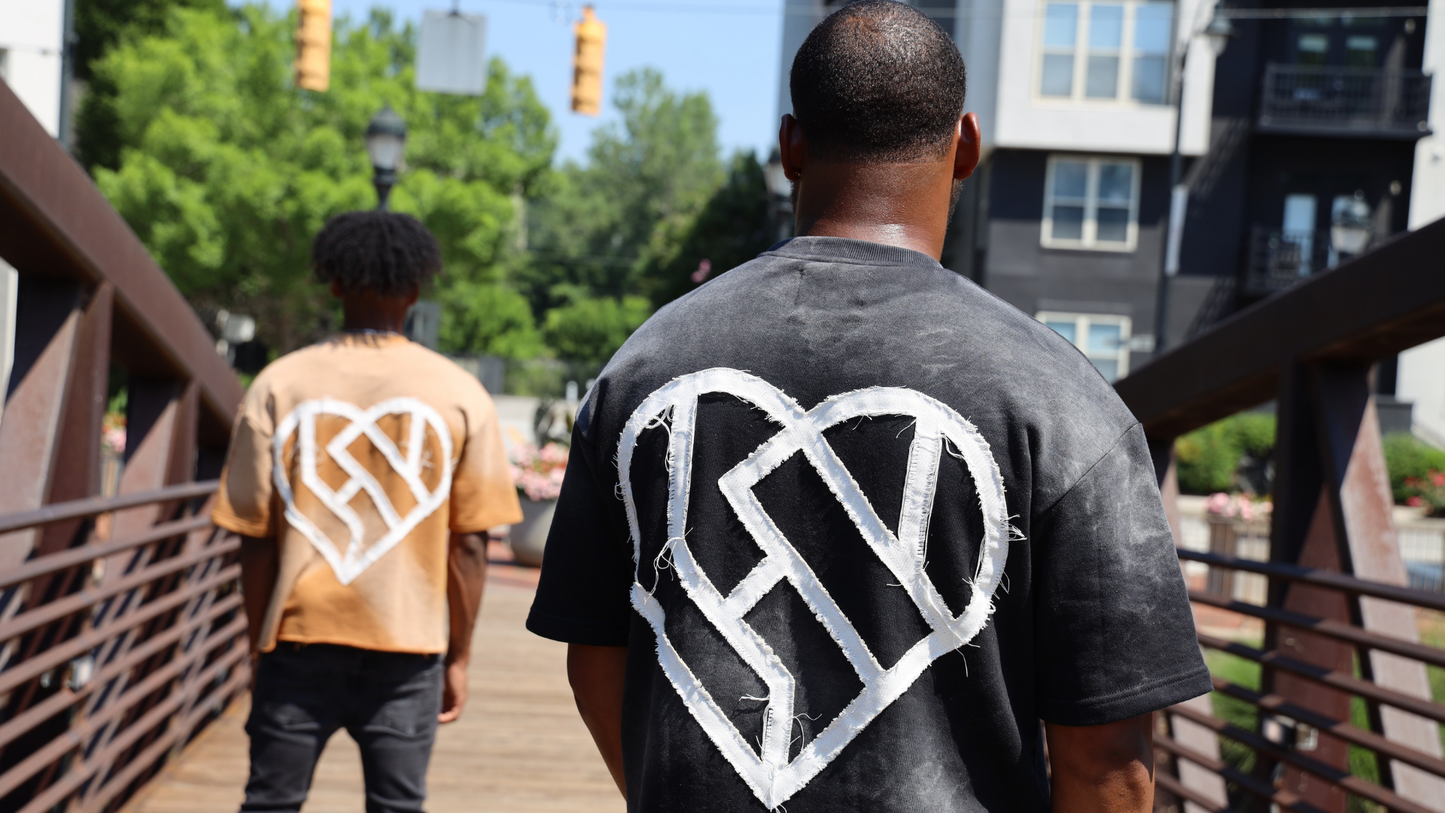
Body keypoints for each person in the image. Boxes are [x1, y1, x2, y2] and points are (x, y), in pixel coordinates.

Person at [525, 2, 1211, 811]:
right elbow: (1109, 757)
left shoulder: (641, 369)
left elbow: (596, 654)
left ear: (789, 147)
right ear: (967, 149)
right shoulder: (1061, 397)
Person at [212, 211, 522, 813]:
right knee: (398, 806)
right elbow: (469, 546)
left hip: (298, 644)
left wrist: (259, 646)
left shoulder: (279, 385)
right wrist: (459, 655)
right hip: (408, 649)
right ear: (415, 288)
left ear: (333, 283)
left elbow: (253, 538)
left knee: (269, 804)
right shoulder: (459, 394)